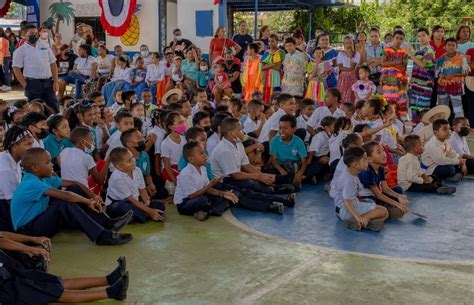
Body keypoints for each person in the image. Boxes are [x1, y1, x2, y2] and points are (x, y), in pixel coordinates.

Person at [11, 148, 133, 245]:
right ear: (35, 168)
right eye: (48, 162)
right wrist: (87, 201)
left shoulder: (42, 178)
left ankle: (107, 223)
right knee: (63, 204)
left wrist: (93, 196)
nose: (52, 165)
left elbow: (75, 184)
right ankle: (101, 236)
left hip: (38, 222)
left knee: (75, 189)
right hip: (27, 232)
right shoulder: (31, 183)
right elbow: (67, 196)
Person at [0, 233, 129, 302]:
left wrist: (32, 242)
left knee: (53, 281)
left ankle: (107, 279)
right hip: (4, 290)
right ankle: (110, 293)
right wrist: (32, 249)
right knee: (55, 293)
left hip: (7, 273)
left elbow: (1, 236)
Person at [209, 118, 295, 214]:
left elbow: (246, 165)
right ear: (231, 133)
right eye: (240, 130)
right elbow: (234, 175)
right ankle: (273, 205)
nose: (243, 132)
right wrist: (257, 176)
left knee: (252, 183)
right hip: (222, 182)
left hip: (233, 178)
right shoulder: (224, 150)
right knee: (248, 192)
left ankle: (283, 193)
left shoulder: (237, 143)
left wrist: (261, 175)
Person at [175, 141, 238, 220]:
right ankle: (210, 210)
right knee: (203, 200)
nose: (205, 156)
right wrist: (210, 184)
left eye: (204, 153)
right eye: (201, 154)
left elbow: (208, 190)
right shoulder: (186, 173)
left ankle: (207, 211)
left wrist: (223, 194)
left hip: (200, 196)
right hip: (185, 203)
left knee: (226, 196)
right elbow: (192, 196)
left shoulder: (203, 169)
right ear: (191, 159)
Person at [330, 147, 388, 231]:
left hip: (342, 210)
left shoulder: (350, 173)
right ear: (355, 165)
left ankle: (366, 223)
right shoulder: (350, 180)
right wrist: (358, 217)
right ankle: (358, 221)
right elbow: (347, 203)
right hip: (345, 211)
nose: (368, 161)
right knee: (383, 211)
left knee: (383, 212)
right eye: (364, 159)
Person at [105, 147, 165, 223]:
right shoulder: (117, 177)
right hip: (118, 204)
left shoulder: (137, 170)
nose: (133, 161)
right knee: (121, 206)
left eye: (132, 157)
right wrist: (150, 211)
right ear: (120, 167)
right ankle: (147, 214)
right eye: (129, 161)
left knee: (160, 205)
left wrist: (147, 202)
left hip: (135, 203)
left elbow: (142, 190)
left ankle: (139, 215)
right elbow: (130, 199)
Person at [12, 24, 60, 113]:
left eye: (36, 33)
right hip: (32, 83)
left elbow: (53, 63)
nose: (34, 35)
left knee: (54, 108)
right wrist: (25, 85)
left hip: (48, 82)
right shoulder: (20, 51)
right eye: (31, 33)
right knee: (36, 111)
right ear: (24, 35)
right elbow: (16, 69)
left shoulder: (45, 46)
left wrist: (56, 81)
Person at [358, 142, 409, 220]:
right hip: (366, 199)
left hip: (376, 195)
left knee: (399, 190)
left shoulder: (381, 168)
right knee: (371, 203)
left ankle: (386, 209)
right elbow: (378, 195)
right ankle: (386, 211)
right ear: (369, 159)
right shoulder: (366, 172)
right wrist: (397, 204)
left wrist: (399, 196)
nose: (383, 154)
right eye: (379, 152)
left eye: (383, 150)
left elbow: (385, 189)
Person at [0, 127, 34, 231]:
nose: (32, 148)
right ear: (14, 147)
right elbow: (11, 202)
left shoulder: (15, 158)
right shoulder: (5, 168)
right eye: (28, 145)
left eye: (32, 143)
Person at [268, 115, 308, 190]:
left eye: (285, 128)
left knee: (291, 164)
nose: (282, 131)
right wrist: (280, 169)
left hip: (294, 165)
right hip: (280, 165)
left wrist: (300, 173)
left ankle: (291, 179)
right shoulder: (274, 140)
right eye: (280, 128)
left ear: (293, 129)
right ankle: (291, 181)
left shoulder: (298, 141)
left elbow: (304, 161)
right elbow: (273, 159)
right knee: (270, 171)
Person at [436, 38, 470, 118]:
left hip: (456, 86)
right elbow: (437, 73)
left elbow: (466, 73)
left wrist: (453, 75)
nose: (451, 47)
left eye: (453, 45)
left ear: (456, 47)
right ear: (445, 47)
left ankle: (460, 127)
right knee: (442, 108)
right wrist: (441, 75)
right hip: (443, 86)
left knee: (457, 108)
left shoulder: (462, 58)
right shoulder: (441, 59)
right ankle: (443, 127)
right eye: (449, 45)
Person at [409, 28, 436, 117]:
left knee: (423, 111)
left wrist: (411, 54)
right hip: (416, 85)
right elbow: (415, 68)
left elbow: (423, 64)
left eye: (423, 35)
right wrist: (411, 81)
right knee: (414, 109)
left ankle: (423, 130)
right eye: (419, 36)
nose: (421, 38)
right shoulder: (418, 51)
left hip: (425, 85)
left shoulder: (429, 50)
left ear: (429, 36)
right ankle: (415, 129)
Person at [380, 30, 409, 117]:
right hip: (388, 81)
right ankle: (388, 124)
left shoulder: (404, 52)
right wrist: (398, 62)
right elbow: (383, 63)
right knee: (388, 103)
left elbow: (404, 68)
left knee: (400, 102)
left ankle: (399, 123)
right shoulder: (386, 50)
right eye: (397, 38)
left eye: (401, 39)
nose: (398, 40)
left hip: (400, 81)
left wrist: (391, 63)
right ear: (393, 38)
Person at [306, 116, 336, 183]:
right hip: (315, 158)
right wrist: (308, 162)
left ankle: (317, 176)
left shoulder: (332, 135)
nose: (336, 128)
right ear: (326, 127)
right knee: (324, 160)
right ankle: (306, 177)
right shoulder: (320, 136)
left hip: (326, 156)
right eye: (334, 126)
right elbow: (312, 150)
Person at [161, 112, 186, 186]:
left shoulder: (184, 139)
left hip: (183, 167)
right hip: (173, 170)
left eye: (183, 122)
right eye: (180, 123)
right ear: (171, 126)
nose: (183, 125)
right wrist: (174, 180)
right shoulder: (165, 144)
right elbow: (167, 166)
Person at [337, 36, 360, 103]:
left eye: (350, 42)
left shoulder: (357, 54)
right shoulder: (340, 54)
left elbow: (353, 67)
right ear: (344, 45)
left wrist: (350, 56)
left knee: (352, 94)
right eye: (346, 43)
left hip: (353, 77)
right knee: (343, 93)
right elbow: (340, 67)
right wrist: (349, 69)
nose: (349, 45)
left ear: (353, 43)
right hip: (343, 78)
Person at [0, 27, 12, 92]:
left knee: (5, 71)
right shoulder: (5, 39)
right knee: (5, 71)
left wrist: (1, 59)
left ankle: (8, 85)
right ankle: (6, 84)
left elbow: (2, 50)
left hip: (4, 57)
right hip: (6, 56)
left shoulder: (2, 39)